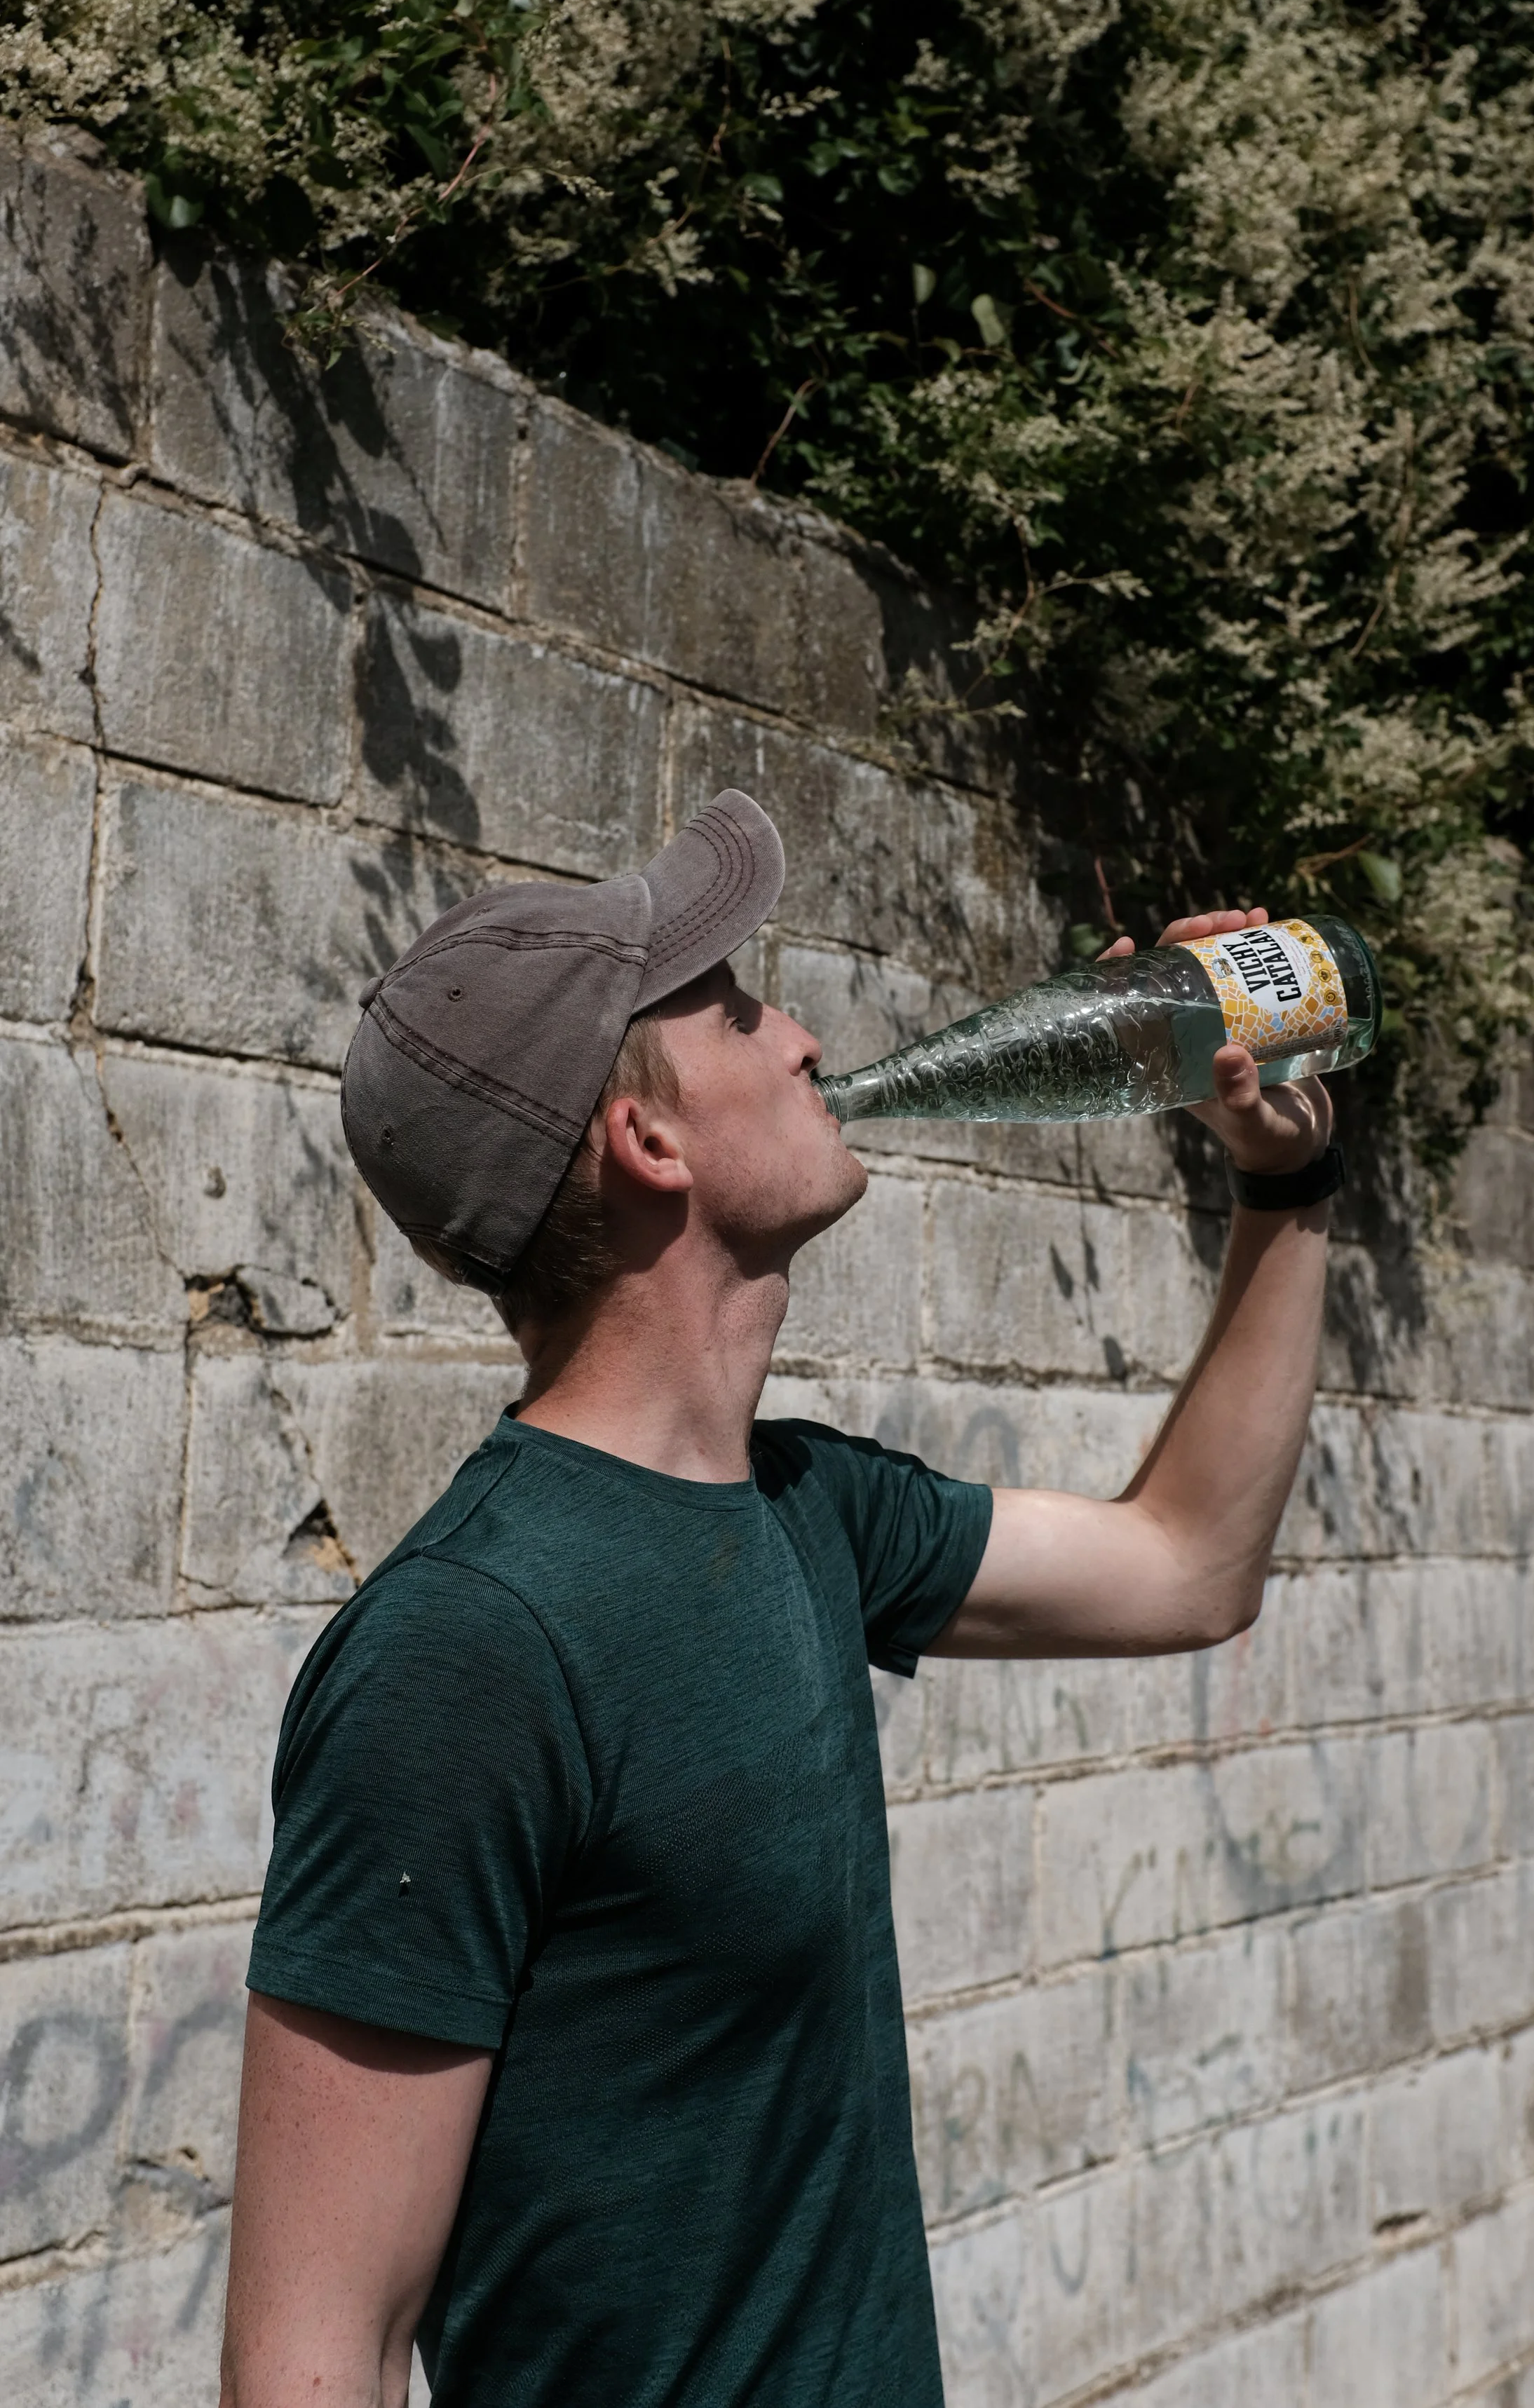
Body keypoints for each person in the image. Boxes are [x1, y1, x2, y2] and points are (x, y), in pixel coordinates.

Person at [219, 789, 1342, 2408]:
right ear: (648, 1141)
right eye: (737, 1007)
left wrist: (1284, 1190)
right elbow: (313, 2350)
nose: (805, 1034)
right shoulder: (468, 1646)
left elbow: (1187, 1564)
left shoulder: (813, 1510)